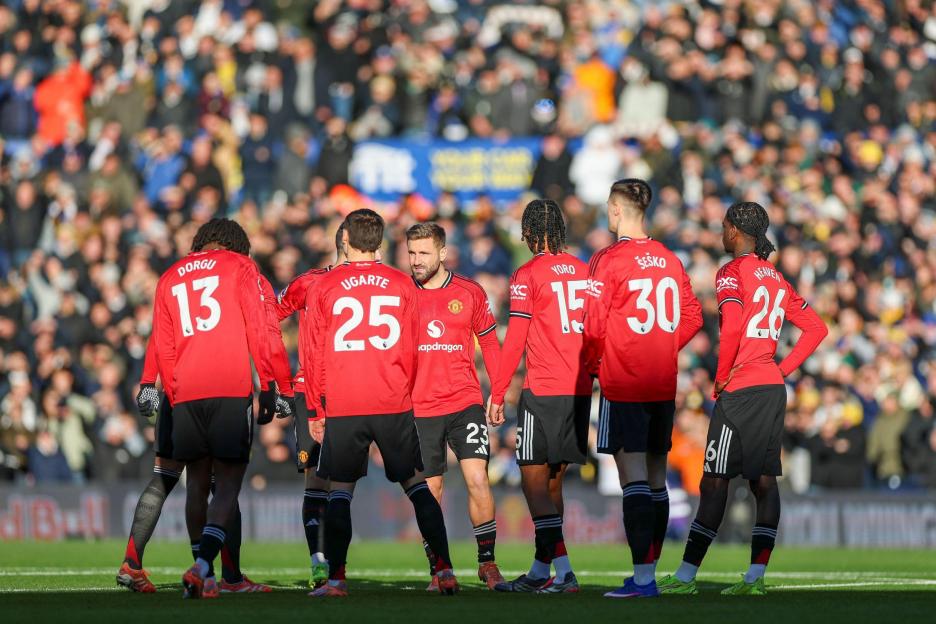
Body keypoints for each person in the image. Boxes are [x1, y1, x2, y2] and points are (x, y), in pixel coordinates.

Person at [659, 202, 828, 596]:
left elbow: (733, 325)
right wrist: (782, 371)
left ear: (735, 230)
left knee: (715, 480)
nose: (721, 232)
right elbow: (816, 329)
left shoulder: (732, 272)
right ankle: (755, 578)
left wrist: (720, 378)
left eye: (723, 226)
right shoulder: (776, 278)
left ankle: (685, 577)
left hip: (741, 388)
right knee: (764, 482)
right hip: (771, 388)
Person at [117, 221, 292, 594]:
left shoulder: (170, 275)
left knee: (190, 481)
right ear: (238, 246)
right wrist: (274, 385)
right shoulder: (242, 268)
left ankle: (202, 574)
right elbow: (263, 331)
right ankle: (210, 570)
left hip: (182, 392)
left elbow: (161, 338)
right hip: (228, 387)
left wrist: (152, 383)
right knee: (227, 483)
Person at [302, 209, 457, 597]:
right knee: (417, 485)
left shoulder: (325, 285)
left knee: (340, 490)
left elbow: (312, 354)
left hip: (344, 401)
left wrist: (315, 410)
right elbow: (414, 347)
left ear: (346, 241)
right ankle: (444, 571)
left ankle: (336, 580)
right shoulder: (403, 284)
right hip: (391, 399)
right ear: (380, 243)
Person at [582, 179, 703, 598]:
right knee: (655, 478)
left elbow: (594, 325)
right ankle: (648, 571)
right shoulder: (669, 258)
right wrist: (662, 346)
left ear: (615, 209)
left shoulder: (608, 260)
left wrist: (594, 364)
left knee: (632, 476)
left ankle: (644, 579)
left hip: (625, 379)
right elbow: (692, 317)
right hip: (662, 381)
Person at [487, 199, 592, 594]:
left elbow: (516, 338)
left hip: (544, 388)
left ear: (530, 232)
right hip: (579, 389)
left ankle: (564, 573)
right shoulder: (585, 271)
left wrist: (497, 391)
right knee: (552, 486)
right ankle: (538, 571)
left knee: (532, 483)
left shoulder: (528, 273)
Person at [405, 222, 505, 591]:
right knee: (431, 492)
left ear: (443, 252)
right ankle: (441, 570)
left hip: (464, 402)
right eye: (412, 253)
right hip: (419, 408)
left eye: (424, 253)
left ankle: (487, 564)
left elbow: (491, 343)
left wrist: (499, 390)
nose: (417, 261)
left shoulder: (470, 291)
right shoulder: (402, 294)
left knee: (478, 480)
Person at [274, 223, 347, 588]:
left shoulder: (381, 283)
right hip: (310, 391)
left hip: (356, 391)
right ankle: (320, 562)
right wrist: (279, 380)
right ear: (347, 244)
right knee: (317, 477)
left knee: (344, 481)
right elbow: (270, 316)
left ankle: (337, 566)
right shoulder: (309, 282)